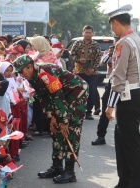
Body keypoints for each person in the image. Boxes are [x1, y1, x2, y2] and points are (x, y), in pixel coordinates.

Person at [13, 54, 88, 184]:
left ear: (29, 66)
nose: (21, 74)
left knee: (71, 130)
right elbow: (43, 97)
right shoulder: (32, 77)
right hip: (62, 96)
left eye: (21, 71)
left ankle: (70, 172)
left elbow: (57, 96)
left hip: (76, 92)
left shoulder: (45, 72)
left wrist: (64, 120)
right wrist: (51, 116)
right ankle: (57, 167)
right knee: (56, 128)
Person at [105, 4, 140, 188]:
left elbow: (118, 75)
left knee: (129, 144)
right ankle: (125, 182)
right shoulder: (137, 39)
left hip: (127, 96)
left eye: (111, 25)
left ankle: (134, 184)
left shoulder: (123, 43)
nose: (112, 29)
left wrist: (110, 104)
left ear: (115, 23)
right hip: (135, 93)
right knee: (124, 141)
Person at [70, 25, 101, 120]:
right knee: (79, 91)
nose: (88, 34)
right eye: (86, 32)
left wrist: (92, 69)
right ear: (83, 33)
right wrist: (79, 60)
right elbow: (72, 54)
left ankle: (88, 112)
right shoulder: (77, 43)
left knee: (91, 92)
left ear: (92, 33)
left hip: (91, 73)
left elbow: (98, 58)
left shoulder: (96, 45)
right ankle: (78, 111)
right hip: (79, 71)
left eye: (89, 32)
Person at [91, 45, 115, 145]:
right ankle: (101, 136)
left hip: (124, 84)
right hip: (111, 83)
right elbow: (102, 64)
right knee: (105, 109)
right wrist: (110, 55)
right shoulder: (108, 55)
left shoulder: (126, 53)